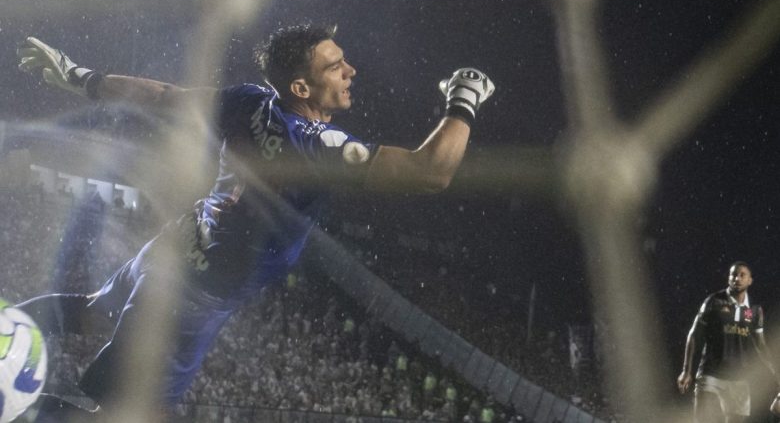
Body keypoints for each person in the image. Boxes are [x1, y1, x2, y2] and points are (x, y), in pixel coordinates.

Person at [14, 25, 495, 420]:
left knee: (90, 310)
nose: (350, 71)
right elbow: (431, 172)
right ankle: (20, 406)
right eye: (335, 66)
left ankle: (7, 331)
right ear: (301, 88)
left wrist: (81, 77)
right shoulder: (316, 147)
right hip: (190, 298)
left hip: (170, 252)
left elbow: (164, 96)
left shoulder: (250, 101)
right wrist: (464, 99)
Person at [677, 261, 780, 422]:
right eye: (733, 274)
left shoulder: (753, 310)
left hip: (739, 380)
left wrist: (776, 374)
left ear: (750, 280)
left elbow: (761, 345)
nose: (737, 278)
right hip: (711, 375)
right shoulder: (713, 302)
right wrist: (686, 370)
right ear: (728, 278)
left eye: (742, 275)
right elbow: (694, 334)